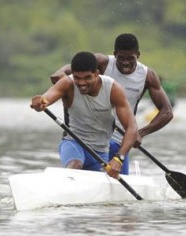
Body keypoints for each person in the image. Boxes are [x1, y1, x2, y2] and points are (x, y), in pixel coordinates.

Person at [50, 33, 173, 175]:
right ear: (115, 54)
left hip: (120, 143)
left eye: (130, 58)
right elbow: (77, 66)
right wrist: (61, 71)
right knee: (76, 169)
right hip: (93, 139)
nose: (125, 62)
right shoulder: (102, 62)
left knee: (119, 185)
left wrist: (141, 133)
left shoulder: (148, 76)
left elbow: (167, 111)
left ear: (138, 55)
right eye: (121, 58)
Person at [30, 51, 138, 179]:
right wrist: (40, 103)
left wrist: (119, 158)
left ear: (97, 74)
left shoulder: (113, 89)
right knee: (75, 166)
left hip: (100, 151)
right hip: (73, 143)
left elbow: (132, 128)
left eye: (87, 77)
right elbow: (46, 99)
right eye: (77, 78)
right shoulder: (67, 84)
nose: (81, 83)